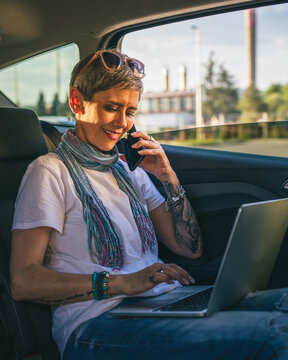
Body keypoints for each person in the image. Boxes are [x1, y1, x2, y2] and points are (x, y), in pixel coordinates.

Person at [10, 49, 288, 360]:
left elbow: (188, 248)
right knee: (273, 336)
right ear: (77, 102)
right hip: (94, 325)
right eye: (112, 108)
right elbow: (24, 281)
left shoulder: (128, 170)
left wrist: (168, 177)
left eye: (130, 111)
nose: (123, 123)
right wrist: (124, 282)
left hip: (157, 302)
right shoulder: (50, 171)